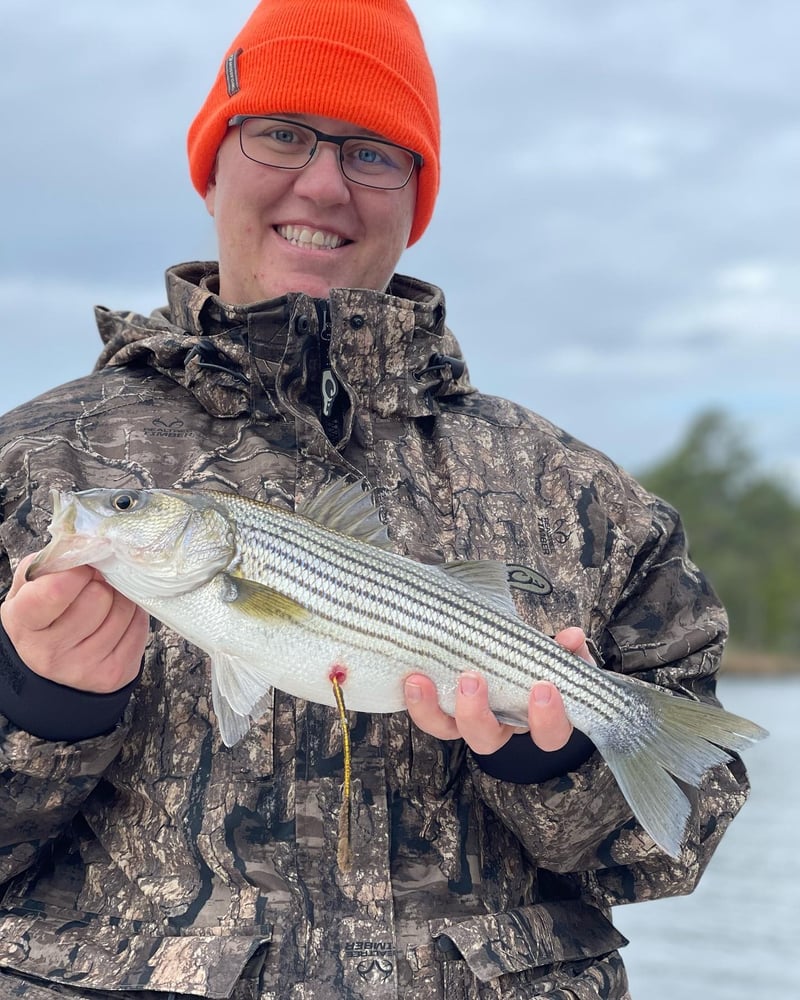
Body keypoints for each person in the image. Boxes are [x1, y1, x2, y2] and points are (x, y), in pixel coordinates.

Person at [0, 2, 752, 998]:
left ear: (417, 194)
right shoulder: (28, 462)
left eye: (373, 152)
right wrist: (40, 709)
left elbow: (676, 848)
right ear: (210, 161)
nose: (321, 181)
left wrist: (552, 754)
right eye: (279, 133)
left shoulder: (584, 498)